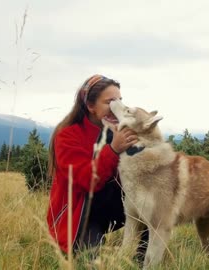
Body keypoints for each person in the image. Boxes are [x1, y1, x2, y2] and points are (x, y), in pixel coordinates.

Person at [46, 74, 148, 260]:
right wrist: (114, 149)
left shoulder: (116, 130)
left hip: (109, 204)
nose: (117, 107)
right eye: (110, 102)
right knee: (89, 261)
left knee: (150, 200)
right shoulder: (68, 136)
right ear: (90, 106)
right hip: (80, 214)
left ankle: (142, 260)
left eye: (120, 100)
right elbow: (86, 181)